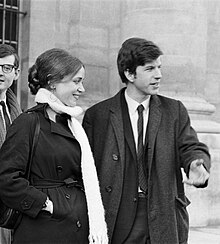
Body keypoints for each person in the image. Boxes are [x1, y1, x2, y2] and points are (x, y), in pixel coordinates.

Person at [82, 37, 211, 244]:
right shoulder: (98, 115)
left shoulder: (174, 110)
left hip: (164, 217)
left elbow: (191, 146)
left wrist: (196, 163)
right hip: (116, 218)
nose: (158, 75)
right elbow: (86, 169)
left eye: (159, 67)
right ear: (129, 74)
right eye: (150, 69)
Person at [0, 48, 108, 244]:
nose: (82, 89)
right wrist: (47, 205)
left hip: (74, 228)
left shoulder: (72, 125)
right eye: (76, 81)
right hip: (42, 230)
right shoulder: (28, 122)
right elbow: (6, 178)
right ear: (52, 82)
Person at [0, 44, 22, 244]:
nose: (0, 73)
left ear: (16, 73)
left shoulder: (18, 113)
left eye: (6, 68)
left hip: (10, 202)